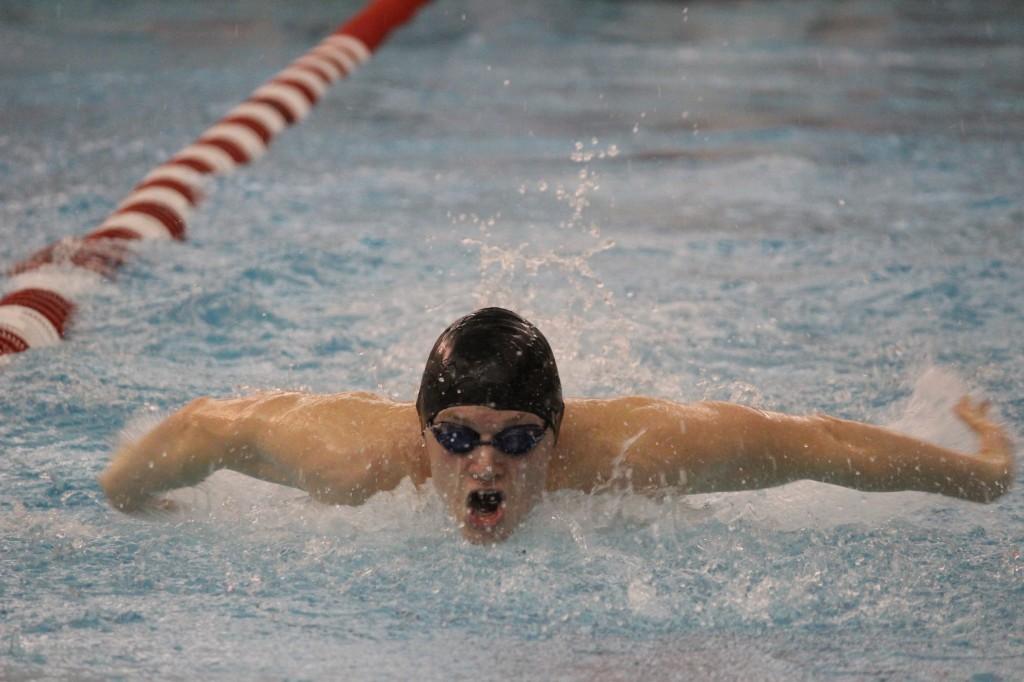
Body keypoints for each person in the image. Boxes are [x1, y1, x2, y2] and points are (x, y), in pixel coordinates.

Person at [100, 307, 1015, 543]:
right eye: (457, 438)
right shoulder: (350, 460)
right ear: (421, 431)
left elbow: (824, 446)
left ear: (558, 433)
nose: (485, 465)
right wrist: (132, 501)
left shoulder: (633, 455)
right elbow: (203, 428)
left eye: (517, 439)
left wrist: (984, 473)